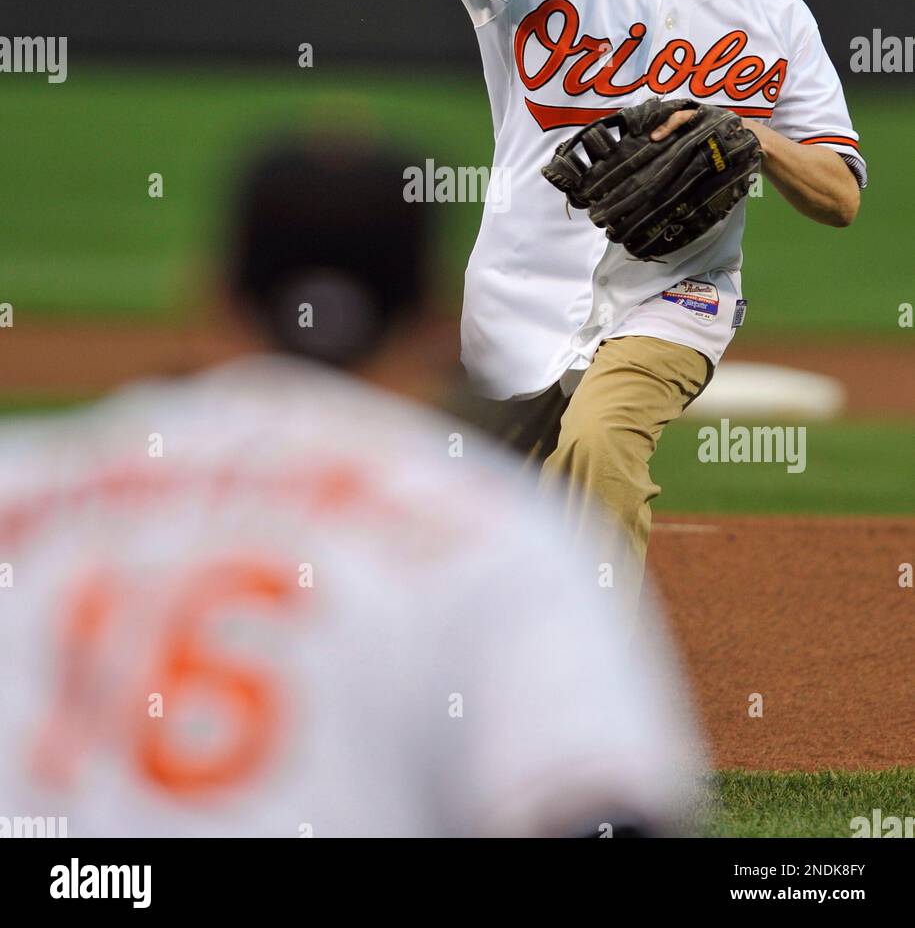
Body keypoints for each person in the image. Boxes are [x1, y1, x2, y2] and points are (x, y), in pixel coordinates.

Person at [231, 0, 865, 599]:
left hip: (673, 297)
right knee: (437, 516)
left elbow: (839, 193)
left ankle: (594, 701)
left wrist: (754, 137)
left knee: (601, 447)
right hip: (518, 293)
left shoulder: (775, 13)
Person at [0, 139, 703, 838]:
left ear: (209, 299)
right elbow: (598, 818)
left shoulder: (19, 482)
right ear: (433, 322)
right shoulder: (497, 532)